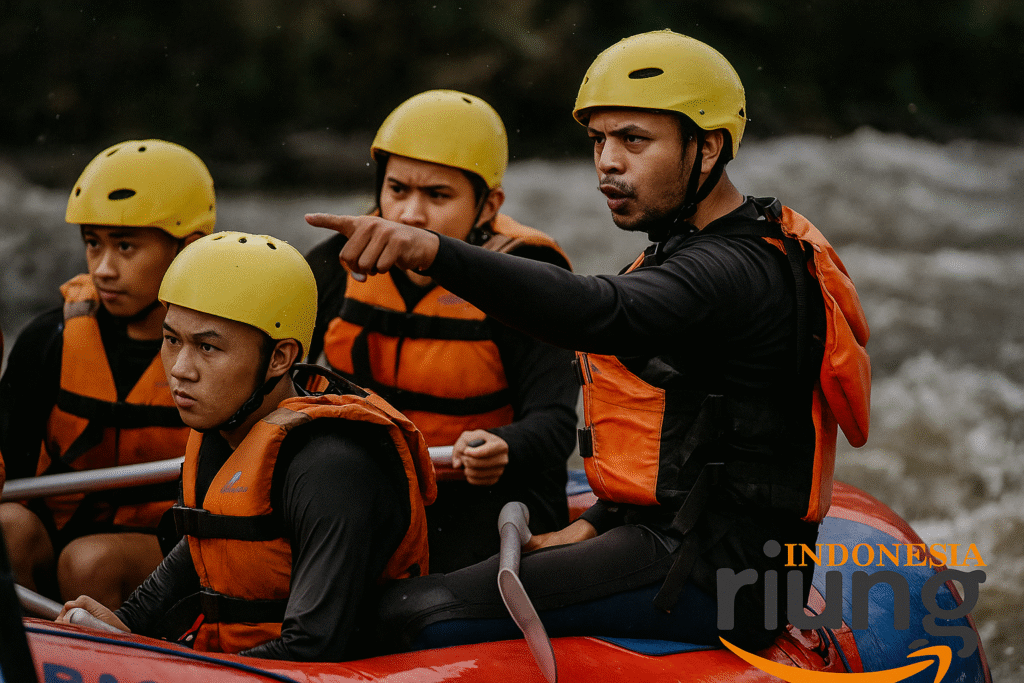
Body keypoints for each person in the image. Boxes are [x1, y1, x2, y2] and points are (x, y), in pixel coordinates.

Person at [306, 30, 871, 651]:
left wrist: (437, 252)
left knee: (404, 612)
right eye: (599, 140)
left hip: (716, 577)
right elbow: (706, 440)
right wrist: (598, 521)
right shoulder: (693, 247)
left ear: (707, 148)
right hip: (684, 544)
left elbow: (604, 311)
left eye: (634, 140)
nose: (607, 161)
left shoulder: (736, 269)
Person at [57, 231, 436, 661]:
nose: (181, 370)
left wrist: (180, 667)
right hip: (232, 661)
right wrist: (127, 624)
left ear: (280, 357)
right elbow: (209, 546)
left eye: (207, 346)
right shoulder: (225, 428)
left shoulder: (331, 468)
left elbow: (312, 648)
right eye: (172, 339)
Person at [305, 90, 579, 572]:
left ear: (487, 204)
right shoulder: (336, 261)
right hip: (373, 487)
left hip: (483, 496)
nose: (410, 215)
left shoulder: (527, 275)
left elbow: (555, 427)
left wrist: (507, 446)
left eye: (437, 196)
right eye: (397, 190)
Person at [0, 140, 215, 608]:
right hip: (58, 529)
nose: (103, 269)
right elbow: (10, 459)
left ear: (189, 249)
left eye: (126, 247)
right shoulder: (49, 339)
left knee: (89, 561)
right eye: (93, 244)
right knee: (7, 528)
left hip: (164, 546)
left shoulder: (222, 348)